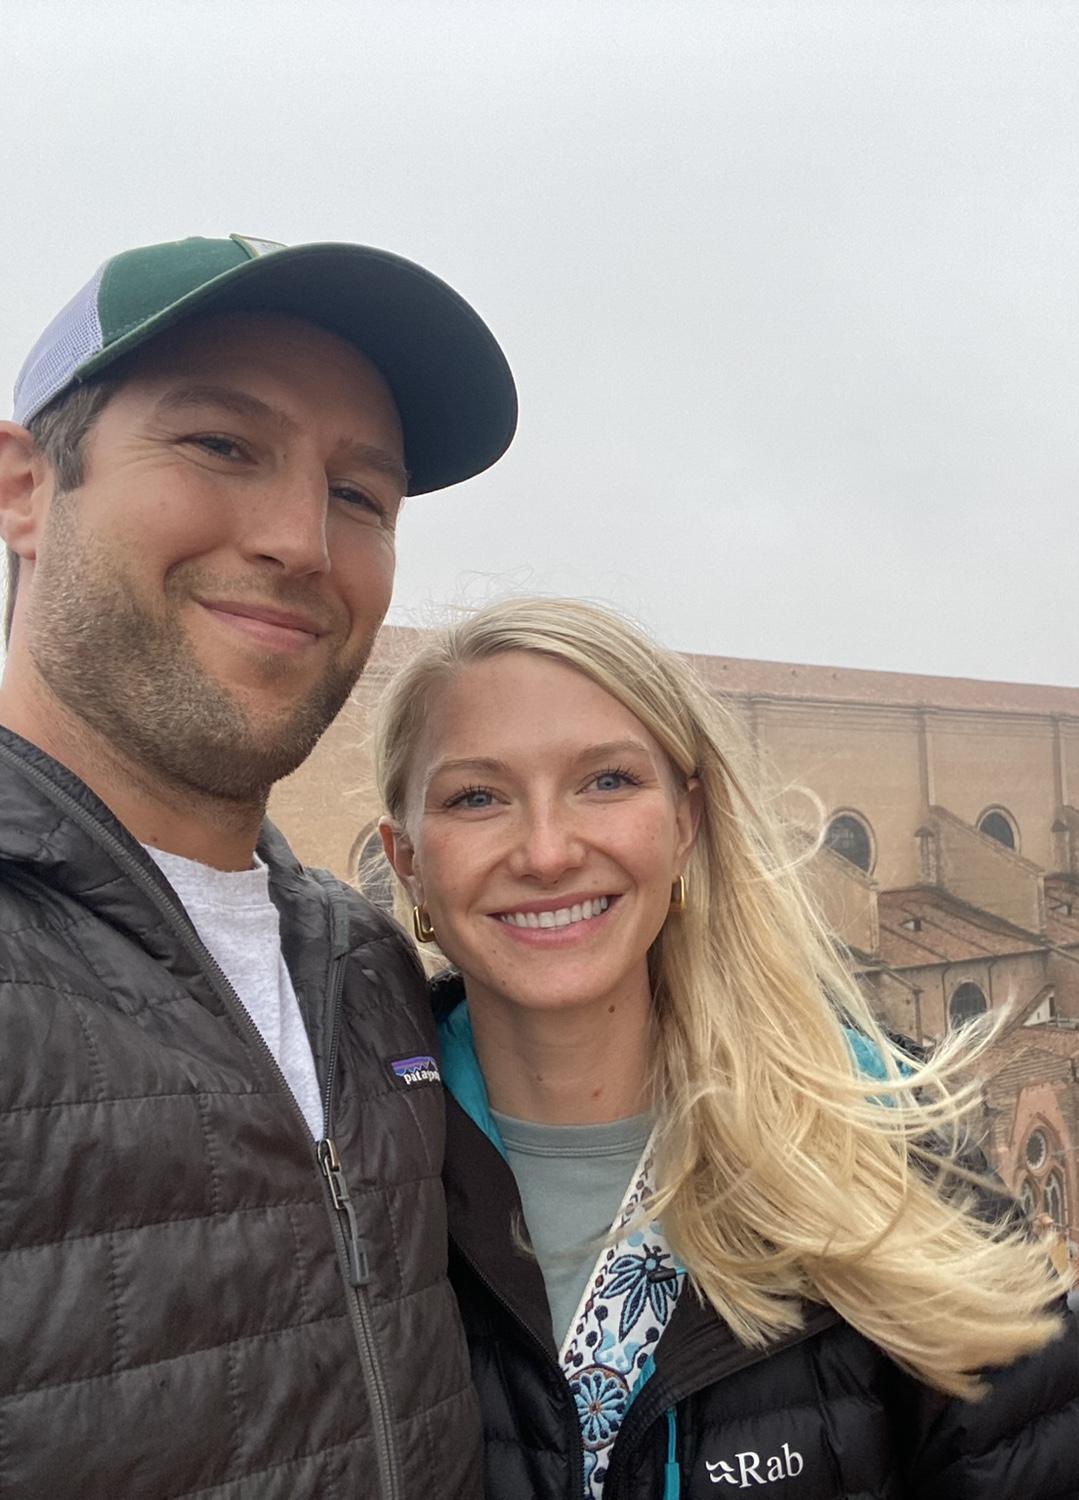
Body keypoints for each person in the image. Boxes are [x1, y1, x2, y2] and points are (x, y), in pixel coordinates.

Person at [374, 596, 1079, 1499]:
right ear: (407, 859)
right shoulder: (347, 1179)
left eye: (607, 781)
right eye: (477, 797)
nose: (546, 851)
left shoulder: (892, 1143)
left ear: (687, 822)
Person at [0, 234, 518, 1498]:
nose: (301, 542)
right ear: (20, 490)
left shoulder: (368, 965)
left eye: (361, 496)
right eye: (222, 445)